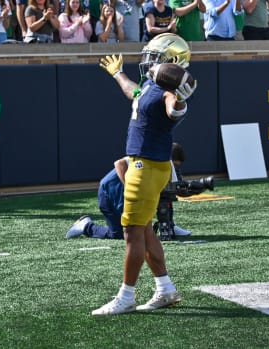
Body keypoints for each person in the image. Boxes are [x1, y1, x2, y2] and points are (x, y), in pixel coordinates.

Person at [92, 33, 196, 315]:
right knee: (144, 228)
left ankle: (126, 296)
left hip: (146, 166)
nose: (149, 60)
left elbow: (175, 110)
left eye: (156, 57)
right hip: (145, 164)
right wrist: (118, 74)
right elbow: (133, 94)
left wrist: (181, 102)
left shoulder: (169, 89)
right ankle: (165, 288)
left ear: (171, 62)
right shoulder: (151, 83)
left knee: (132, 232)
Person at [66, 143, 192, 240]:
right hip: (110, 193)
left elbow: (171, 192)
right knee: (121, 234)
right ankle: (86, 226)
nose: (175, 168)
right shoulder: (148, 157)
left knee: (165, 195)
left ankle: (170, 225)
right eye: (174, 165)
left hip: (125, 195)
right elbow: (119, 163)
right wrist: (129, 188)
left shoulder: (163, 164)